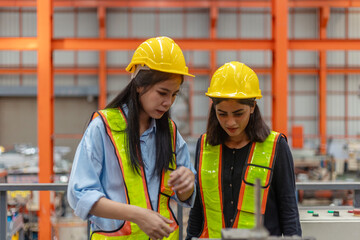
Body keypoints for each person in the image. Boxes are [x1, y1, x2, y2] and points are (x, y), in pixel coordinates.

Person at [67, 36, 196, 240]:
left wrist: (188, 185)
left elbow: (185, 195)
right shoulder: (103, 128)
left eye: (174, 95)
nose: (168, 102)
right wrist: (138, 215)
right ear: (138, 85)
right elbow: (81, 195)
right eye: (162, 93)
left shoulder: (170, 133)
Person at [186, 61, 302, 239]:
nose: (230, 122)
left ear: (253, 107)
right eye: (222, 114)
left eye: (238, 113)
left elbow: (288, 208)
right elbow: (198, 209)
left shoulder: (276, 146)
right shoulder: (204, 145)